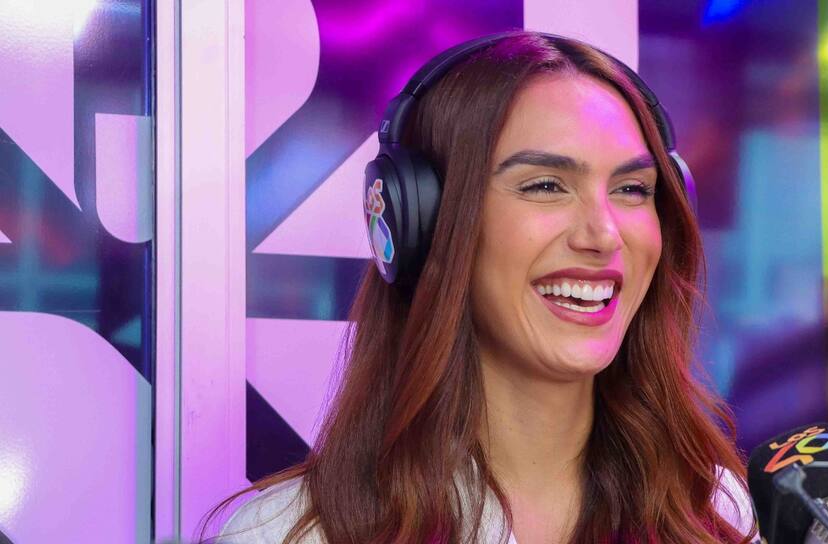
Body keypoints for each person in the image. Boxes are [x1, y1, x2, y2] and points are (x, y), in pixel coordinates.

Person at [210, 31, 759, 543]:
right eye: (545, 185)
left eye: (633, 189)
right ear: (425, 222)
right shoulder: (286, 534)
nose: (604, 234)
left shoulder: (716, 512)